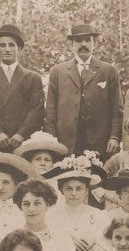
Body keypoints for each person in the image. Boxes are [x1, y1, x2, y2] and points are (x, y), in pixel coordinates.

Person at [44, 22, 123, 157]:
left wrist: (114, 137)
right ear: (72, 45)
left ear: (94, 44)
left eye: (88, 40)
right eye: (79, 40)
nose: (83, 44)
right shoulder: (58, 72)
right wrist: (52, 141)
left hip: (100, 144)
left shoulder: (108, 71)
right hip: (66, 144)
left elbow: (117, 109)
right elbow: (50, 111)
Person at [0, 23, 46, 154]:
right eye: (2, 45)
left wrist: (21, 134)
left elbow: (37, 111)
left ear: (19, 48)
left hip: (23, 145)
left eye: (11, 45)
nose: (7, 49)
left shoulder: (32, 78)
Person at [45, 155, 108, 251]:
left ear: (86, 191)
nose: (74, 193)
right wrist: (68, 241)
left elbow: (104, 241)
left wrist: (90, 240)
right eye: (69, 188)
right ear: (62, 190)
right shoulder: (50, 215)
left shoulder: (98, 215)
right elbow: (47, 240)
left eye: (79, 189)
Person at [12, 177, 78, 251]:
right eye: (26, 204)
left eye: (37, 203)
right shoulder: (13, 239)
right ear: (20, 207)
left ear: (47, 204)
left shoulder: (62, 239)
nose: (31, 209)